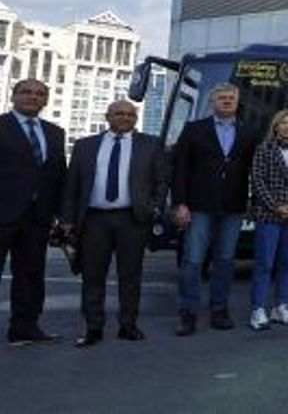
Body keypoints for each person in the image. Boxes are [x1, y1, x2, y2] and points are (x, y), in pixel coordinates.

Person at [62, 100, 168, 347]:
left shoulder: (151, 144)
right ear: (107, 116)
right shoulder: (85, 146)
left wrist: (155, 207)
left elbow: (162, 180)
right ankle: (93, 327)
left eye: (131, 114)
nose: (125, 117)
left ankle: (128, 325)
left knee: (130, 275)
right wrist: (67, 219)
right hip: (94, 220)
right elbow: (72, 184)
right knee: (92, 276)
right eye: (119, 113)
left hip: (133, 219)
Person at [171, 82, 259, 336]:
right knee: (193, 260)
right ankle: (188, 313)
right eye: (222, 97)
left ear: (237, 102)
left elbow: (256, 170)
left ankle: (219, 310)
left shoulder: (249, 132)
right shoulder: (194, 129)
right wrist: (180, 204)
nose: (227, 101)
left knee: (225, 261)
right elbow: (180, 169)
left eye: (232, 97)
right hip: (199, 206)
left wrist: (254, 202)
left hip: (233, 207)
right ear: (212, 102)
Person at [1, 79, 67, 345]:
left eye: (40, 93)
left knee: (30, 274)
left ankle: (24, 327)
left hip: (38, 217)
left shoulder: (55, 133)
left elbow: (59, 174)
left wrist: (62, 214)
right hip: (2, 213)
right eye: (26, 92)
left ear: (46, 100)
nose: (33, 97)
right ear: (13, 96)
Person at [248, 110, 288, 331]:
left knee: (287, 263)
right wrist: (276, 207)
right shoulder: (263, 149)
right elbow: (257, 181)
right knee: (265, 263)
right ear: (276, 126)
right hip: (269, 215)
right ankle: (258, 309)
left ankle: (280, 306)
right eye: (284, 123)